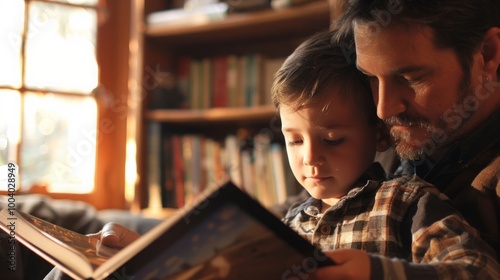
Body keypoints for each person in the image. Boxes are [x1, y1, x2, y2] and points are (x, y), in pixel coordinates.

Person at [273, 29, 499, 279]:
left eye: (332, 140)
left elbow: (480, 270)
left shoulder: (407, 202)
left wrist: (379, 272)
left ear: (381, 135)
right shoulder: (289, 225)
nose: (310, 158)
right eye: (295, 141)